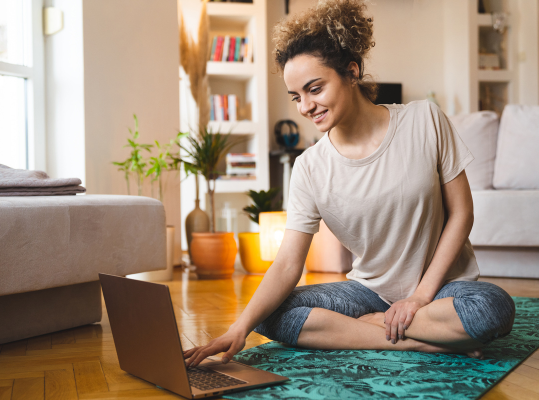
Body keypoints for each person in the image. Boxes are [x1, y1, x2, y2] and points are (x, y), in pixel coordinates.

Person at [184, 0, 515, 367]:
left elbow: (462, 213)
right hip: (368, 293)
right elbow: (286, 265)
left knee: (492, 308)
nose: (306, 106)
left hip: (442, 292)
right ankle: (412, 341)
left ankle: (369, 330)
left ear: (352, 71)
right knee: (268, 313)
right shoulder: (309, 167)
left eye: (315, 88)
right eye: (296, 96)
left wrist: (419, 298)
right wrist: (238, 328)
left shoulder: (425, 120)